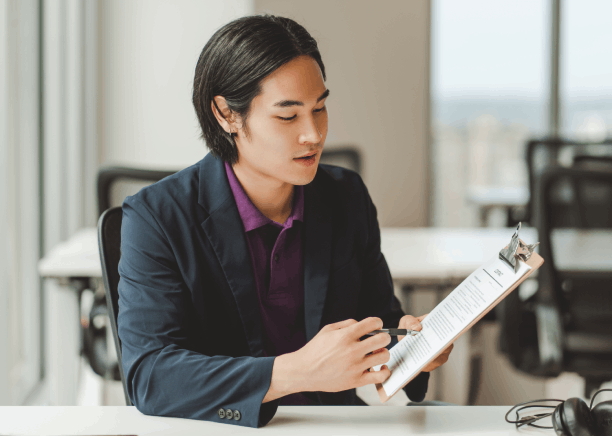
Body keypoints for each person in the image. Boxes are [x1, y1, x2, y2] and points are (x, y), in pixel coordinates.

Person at [117, 14, 453, 428]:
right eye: (288, 116)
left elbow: (378, 322)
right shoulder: (156, 217)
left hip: (331, 426)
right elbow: (150, 376)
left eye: (320, 107)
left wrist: (412, 349)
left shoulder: (346, 196)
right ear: (226, 114)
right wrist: (294, 372)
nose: (313, 134)